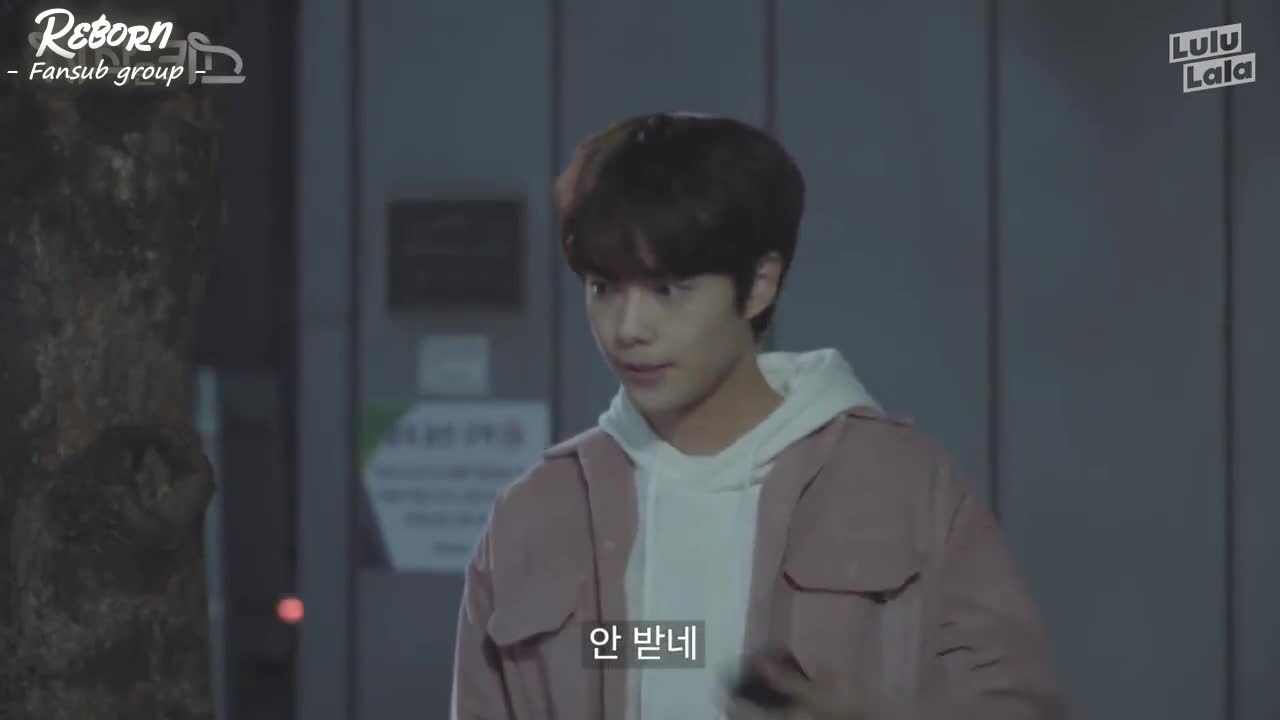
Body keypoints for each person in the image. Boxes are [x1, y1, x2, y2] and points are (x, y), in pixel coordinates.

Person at [450, 112, 1069, 719]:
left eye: (668, 290)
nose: (628, 329)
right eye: (603, 288)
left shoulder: (903, 485)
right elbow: (669, 653)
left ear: (759, 286)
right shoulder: (538, 514)